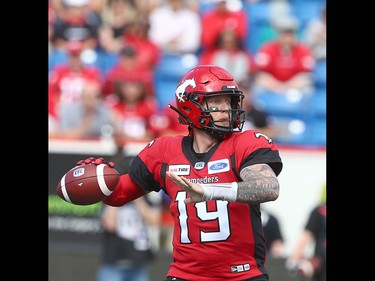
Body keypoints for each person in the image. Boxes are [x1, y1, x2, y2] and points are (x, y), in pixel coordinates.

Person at [73, 65, 283, 280]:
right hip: (185, 275)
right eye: (216, 101)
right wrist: (97, 181)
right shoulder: (163, 151)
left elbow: (268, 188)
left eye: (228, 101)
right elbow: (119, 195)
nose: (226, 108)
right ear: (191, 105)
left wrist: (209, 190)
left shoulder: (246, 142)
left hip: (243, 275)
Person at [286, 195, 326, 281]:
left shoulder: (320, 210)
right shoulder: (320, 211)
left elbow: (305, 237)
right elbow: (305, 237)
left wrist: (292, 262)